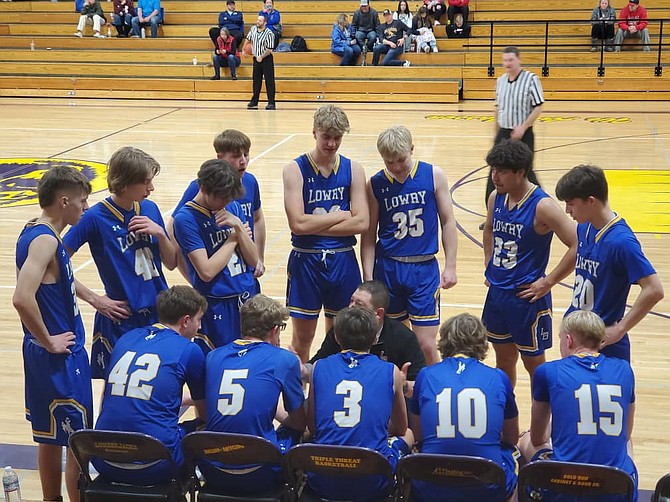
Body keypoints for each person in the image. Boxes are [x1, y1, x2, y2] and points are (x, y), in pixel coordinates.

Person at [13, 165, 93, 502]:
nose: (85, 208)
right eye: (82, 202)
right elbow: (21, 297)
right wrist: (48, 339)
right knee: (78, 438)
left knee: (48, 436)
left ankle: (51, 499)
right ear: (64, 202)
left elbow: (57, 280)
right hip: (58, 354)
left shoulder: (35, 229)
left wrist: (94, 298)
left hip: (41, 351)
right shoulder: (46, 240)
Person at [64, 147, 176, 379]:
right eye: (145, 182)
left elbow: (172, 262)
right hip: (122, 317)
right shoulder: (94, 218)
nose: (151, 188)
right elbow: (54, 264)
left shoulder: (150, 208)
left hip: (159, 311)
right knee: (117, 384)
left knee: (158, 381)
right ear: (124, 183)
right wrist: (96, 300)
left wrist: (161, 235)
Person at [482, 140, 577, 388]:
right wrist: (489, 263)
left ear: (521, 172)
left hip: (526, 299)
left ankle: (545, 424)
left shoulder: (542, 206)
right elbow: (489, 229)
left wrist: (548, 281)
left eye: (502, 171)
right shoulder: (496, 198)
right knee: (503, 361)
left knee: (535, 365)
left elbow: (579, 244)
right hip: (498, 294)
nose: (495, 176)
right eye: (493, 170)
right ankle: (508, 421)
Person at [362, 125, 458, 365]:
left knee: (425, 344)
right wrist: (368, 277)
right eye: (389, 162)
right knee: (392, 343)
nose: (395, 167)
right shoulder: (375, 184)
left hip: (423, 269)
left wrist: (451, 266)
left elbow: (447, 221)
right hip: (389, 268)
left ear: (412, 149)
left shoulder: (433, 175)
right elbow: (368, 234)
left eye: (401, 160)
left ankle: (434, 392)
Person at [93, 286, 207, 485]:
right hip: (156, 462)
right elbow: (205, 413)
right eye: (198, 320)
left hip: (103, 457)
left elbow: (113, 397)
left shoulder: (126, 338)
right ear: (186, 320)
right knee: (203, 430)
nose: (200, 327)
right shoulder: (189, 350)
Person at [520, 310, 638, 501]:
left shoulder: (548, 371)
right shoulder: (624, 369)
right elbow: (626, 433)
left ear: (568, 340)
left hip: (565, 485)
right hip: (615, 485)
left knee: (525, 440)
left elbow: (538, 437)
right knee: (626, 442)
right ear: (600, 341)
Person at [283, 104, 368, 362]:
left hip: (342, 259)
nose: (331, 144)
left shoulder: (353, 169)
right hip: (306, 260)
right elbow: (297, 224)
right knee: (302, 340)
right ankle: (299, 400)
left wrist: (315, 223)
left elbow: (362, 222)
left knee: (340, 337)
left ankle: (327, 394)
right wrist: (340, 215)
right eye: (326, 137)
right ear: (314, 132)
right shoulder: (294, 169)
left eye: (337, 138)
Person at [555, 164, 663, 361]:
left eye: (571, 203)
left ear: (591, 201)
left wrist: (620, 329)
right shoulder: (584, 228)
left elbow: (654, 289)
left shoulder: (621, 242)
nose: (567, 210)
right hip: (575, 333)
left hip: (603, 340)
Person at [201, 294, 306, 494]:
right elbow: (299, 423)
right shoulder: (284, 359)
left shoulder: (213, 356)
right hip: (260, 472)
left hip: (213, 468)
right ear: (275, 330)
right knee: (302, 431)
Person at [307, 307, 414, 501]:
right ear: (375, 339)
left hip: (323, 479)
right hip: (372, 482)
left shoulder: (318, 367)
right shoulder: (392, 371)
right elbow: (400, 427)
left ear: (337, 338)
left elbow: (313, 426)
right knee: (409, 434)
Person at [410, 314, 520, 502]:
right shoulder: (498, 376)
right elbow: (511, 438)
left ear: (444, 340)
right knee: (518, 452)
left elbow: (418, 435)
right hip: (486, 485)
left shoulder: (426, 374)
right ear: (481, 342)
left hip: (432, 484)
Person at [172, 159, 259, 353]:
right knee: (217, 364)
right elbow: (207, 271)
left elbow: (254, 260)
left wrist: (237, 226)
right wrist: (234, 238)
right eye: (222, 197)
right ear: (203, 188)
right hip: (217, 304)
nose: (227, 201)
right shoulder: (185, 219)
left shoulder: (233, 208)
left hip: (247, 297)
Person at [170, 129, 266, 287]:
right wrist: (192, 278)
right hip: (217, 282)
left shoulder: (249, 183)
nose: (243, 161)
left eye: (246, 154)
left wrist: (259, 258)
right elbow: (174, 233)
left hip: (243, 273)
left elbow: (258, 219)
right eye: (236, 156)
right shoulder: (199, 190)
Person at [308, 281, 426, 390]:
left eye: (359, 304)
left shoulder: (403, 337)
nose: (351, 307)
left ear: (378, 313)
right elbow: (317, 365)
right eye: (351, 301)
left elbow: (420, 385)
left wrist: (403, 385)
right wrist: (303, 370)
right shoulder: (341, 328)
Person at [484, 46, 544, 212]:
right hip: (504, 132)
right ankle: (493, 212)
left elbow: (538, 107)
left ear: (519, 60)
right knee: (494, 172)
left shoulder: (531, 79)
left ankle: (542, 207)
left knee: (525, 172)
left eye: (511, 60)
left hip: (523, 134)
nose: (507, 63)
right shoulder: (500, 81)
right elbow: (498, 109)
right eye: (504, 60)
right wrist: (496, 133)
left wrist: (524, 127)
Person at [245, 15, 276, 110]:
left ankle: (271, 102)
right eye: (258, 20)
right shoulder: (253, 29)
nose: (258, 22)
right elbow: (248, 39)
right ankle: (254, 101)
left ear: (265, 23)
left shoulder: (269, 33)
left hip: (266, 59)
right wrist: (244, 49)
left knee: (269, 81)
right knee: (256, 81)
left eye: (260, 20)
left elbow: (269, 49)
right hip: (256, 58)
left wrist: (261, 56)